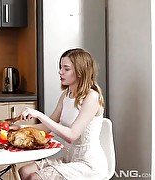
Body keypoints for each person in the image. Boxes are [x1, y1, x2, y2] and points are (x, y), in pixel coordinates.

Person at [18, 48, 108, 180]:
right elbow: (48, 128)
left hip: (88, 165)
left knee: (34, 178)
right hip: (69, 159)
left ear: (80, 72)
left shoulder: (92, 97)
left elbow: (71, 135)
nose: (60, 72)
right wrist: (20, 129)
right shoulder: (66, 95)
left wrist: (39, 115)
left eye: (66, 69)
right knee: (24, 171)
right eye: (61, 67)